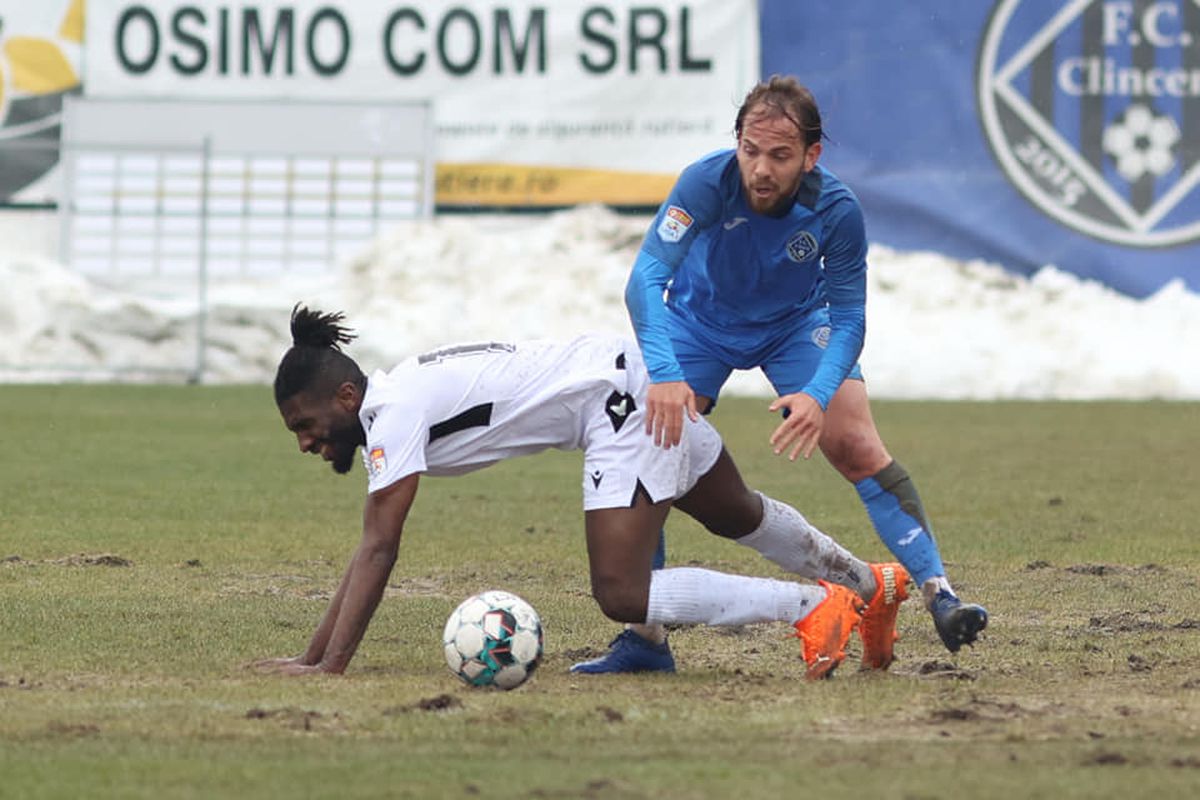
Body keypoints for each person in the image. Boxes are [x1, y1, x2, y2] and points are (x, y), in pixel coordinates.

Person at [571, 75, 986, 675]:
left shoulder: (837, 209)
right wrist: (662, 373)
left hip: (797, 324)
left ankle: (939, 596)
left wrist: (818, 395)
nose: (761, 169)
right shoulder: (705, 182)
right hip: (700, 323)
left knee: (856, 444)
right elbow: (645, 278)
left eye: (780, 155)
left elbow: (848, 317)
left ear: (811, 156)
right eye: (750, 150)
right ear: (736, 142)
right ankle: (645, 639)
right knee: (651, 441)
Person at [252, 305, 910, 679]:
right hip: (628, 372)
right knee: (736, 512)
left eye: (305, 427)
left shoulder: (390, 415)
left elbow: (378, 549)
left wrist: (326, 668)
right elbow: (374, 544)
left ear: (345, 397)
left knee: (619, 591)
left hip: (615, 400)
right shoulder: (394, 400)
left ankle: (811, 606)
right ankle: (870, 585)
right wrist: (310, 657)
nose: (308, 443)